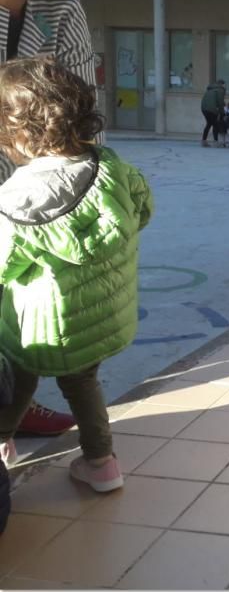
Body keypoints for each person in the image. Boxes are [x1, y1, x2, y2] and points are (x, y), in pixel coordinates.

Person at [0, 58, 152, 488]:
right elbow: (143, 210)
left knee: (17, 375)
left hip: (38, 326)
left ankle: (2, 442)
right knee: (82, 382)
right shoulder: (113, 168)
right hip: (98, 319)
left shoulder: (15, 197)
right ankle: (103, 464)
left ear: (18, 134)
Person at [0, 0, 102, 440]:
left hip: (42, 178)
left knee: (34, 304)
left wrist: (84, 183)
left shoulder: (60, 5)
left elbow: (85, 101)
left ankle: (20, 400)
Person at [200, 79, 225, 147]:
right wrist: (222, 113)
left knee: (209, 124)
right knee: (215, 125)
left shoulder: (210, 89)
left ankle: (204, 141)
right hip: (212, 109)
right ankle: (216, 142)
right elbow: (220, 102)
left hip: (204, 108)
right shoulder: (220, 90)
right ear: (222, 84)